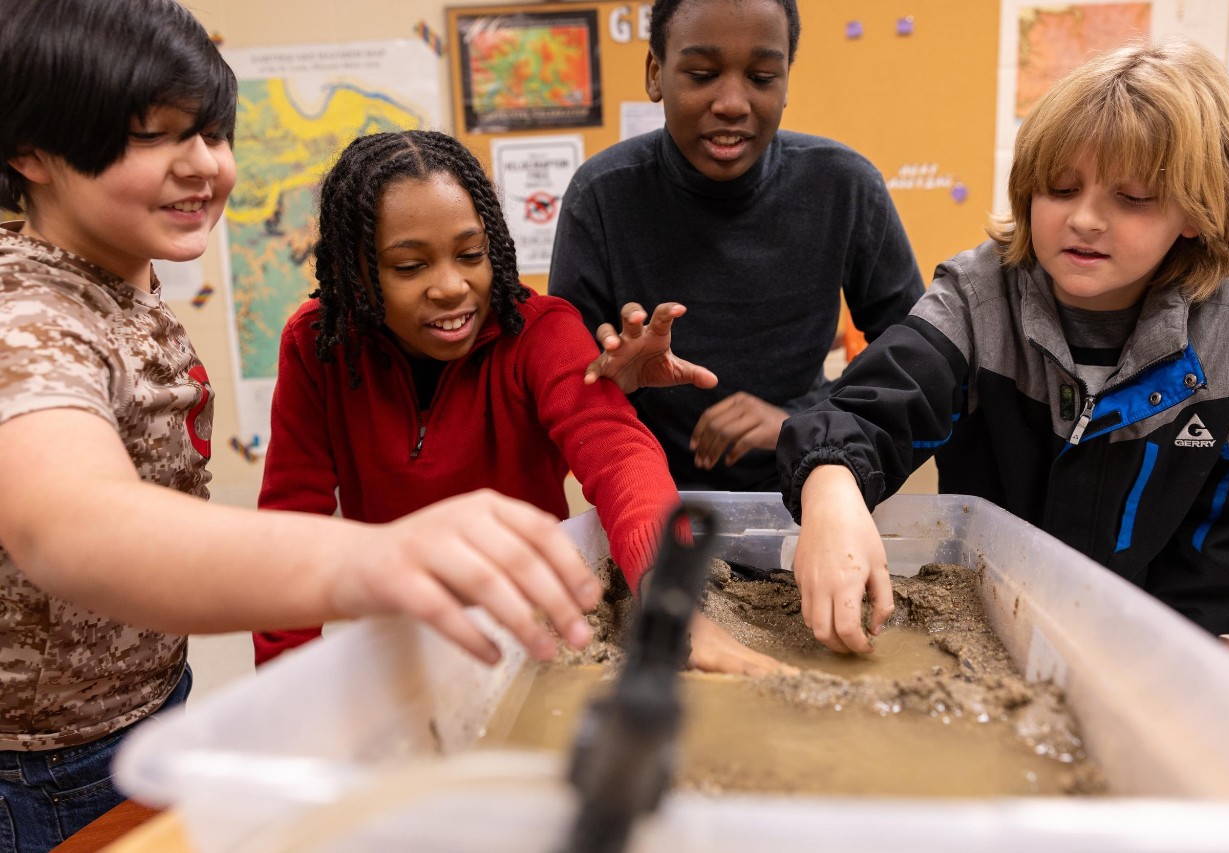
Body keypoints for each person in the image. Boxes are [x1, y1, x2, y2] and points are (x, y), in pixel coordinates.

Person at [0, 3, 601, 849]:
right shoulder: (27, 315)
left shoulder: (117, 283)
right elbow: (69, 522)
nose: (203, 165)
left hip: (140, 706)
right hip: (48, 769)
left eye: (213, 133)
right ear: (29, 149)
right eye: (154, 136)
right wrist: (378, 553)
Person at [775, 39, 1229, 673]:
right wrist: (832, 492)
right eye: (1061, 189)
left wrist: (1182, 651)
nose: (1085, 219)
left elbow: (1222, 543)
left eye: (1133, 198)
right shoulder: (977, 294)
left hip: (1136, 648)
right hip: (984, 631)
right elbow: (873, 408)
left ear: (1197, 210)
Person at [249, 130, 783, 678]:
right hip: (400, 634)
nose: (451, 286)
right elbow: (290, 524)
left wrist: (675, 608)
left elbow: (621, 457)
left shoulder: (542, 333)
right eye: (410, 266)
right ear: (355, 273)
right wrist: (284, 682)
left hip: (532, 624)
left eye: (471, 254)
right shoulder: (318, 344)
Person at [547, 0, 924, 493]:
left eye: (763, 77)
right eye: (702, 74)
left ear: (787, 80)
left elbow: (917, 363)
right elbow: (563, 389)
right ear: (656, 73)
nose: (732, 102)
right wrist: (612, 384)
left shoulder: (844, 185)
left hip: (812, 479)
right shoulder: (599, 196)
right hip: (651, 493)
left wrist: (803, 423)